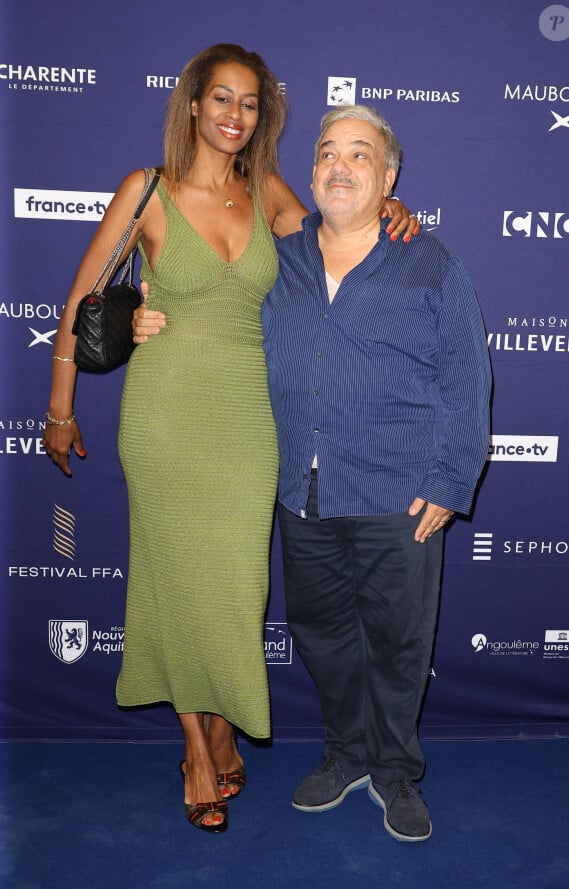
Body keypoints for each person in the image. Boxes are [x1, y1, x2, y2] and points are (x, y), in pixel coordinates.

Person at [43, 45, 418, 835]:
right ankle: (198, 750)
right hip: (165, 415)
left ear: (260, 117)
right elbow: (79, 303)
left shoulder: (264, 192)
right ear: (191, 105)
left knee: (237, 588)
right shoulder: (144, 190)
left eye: (249, 104)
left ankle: (221, 723)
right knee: (175, 579)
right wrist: (60, 411)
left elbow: (332, 227)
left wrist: (390, 210)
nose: (233, 116)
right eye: (221, 99)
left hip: (250, 421)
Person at [260, 105, 492, 842]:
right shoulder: (281, 258)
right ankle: (346, 752)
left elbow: (466, 379)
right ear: (312, 171)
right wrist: (153, 320)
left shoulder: (430, 261)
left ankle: (395, 770)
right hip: (304, 491)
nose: (340, 165)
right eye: (328, 152)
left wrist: (451, 480)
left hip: (401, 494)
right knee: (323, 633)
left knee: (398, 642)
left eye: (360, 155)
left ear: (388, 177)